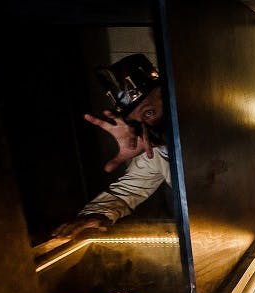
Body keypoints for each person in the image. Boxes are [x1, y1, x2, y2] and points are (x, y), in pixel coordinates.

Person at [52, 53, 172, 238]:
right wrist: (96, 215)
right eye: (136, 122)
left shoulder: (220, 130)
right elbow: (126, 193)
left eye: (149, 113)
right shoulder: (155, 152)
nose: (147, 128)